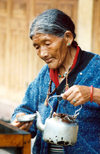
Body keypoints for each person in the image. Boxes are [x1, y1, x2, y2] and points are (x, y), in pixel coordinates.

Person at [11, 9, 100, 154]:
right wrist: (21, 119)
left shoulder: (96, 68)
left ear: (68, 38)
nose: (42, 53)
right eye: (37, 47)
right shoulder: (45, 74)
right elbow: (26, 109)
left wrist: (93, 94)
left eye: (47, 43)